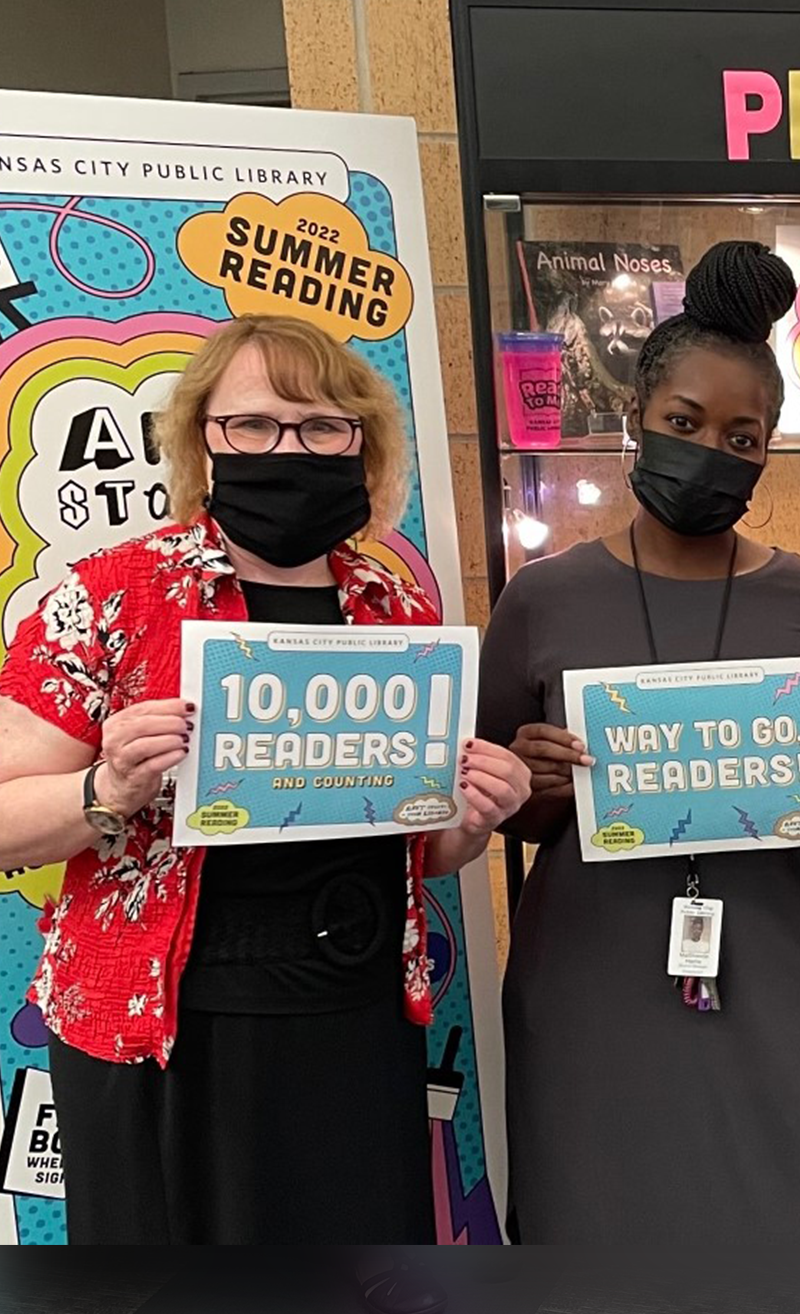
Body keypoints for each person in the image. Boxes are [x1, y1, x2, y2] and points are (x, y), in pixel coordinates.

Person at [0, 314, 531, 1243]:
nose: (290, 448)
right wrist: (106, 792)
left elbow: (422, 847)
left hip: (354, 1014)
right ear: (203, 437)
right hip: (165, 1029)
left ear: (361, 443)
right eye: (255, 425)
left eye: (323, 426)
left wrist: (476, 817)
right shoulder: (105, 596)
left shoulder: (396, 605)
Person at [478, 241, 800, 1244]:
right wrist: (531, 773)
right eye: (684, 423)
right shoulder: (541, 600)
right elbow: (492, 800)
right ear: (636, 416)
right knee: (612, 1234)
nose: (709, 450)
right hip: (597, 977)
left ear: (768, 448)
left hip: (788, 969)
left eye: (743, 435)